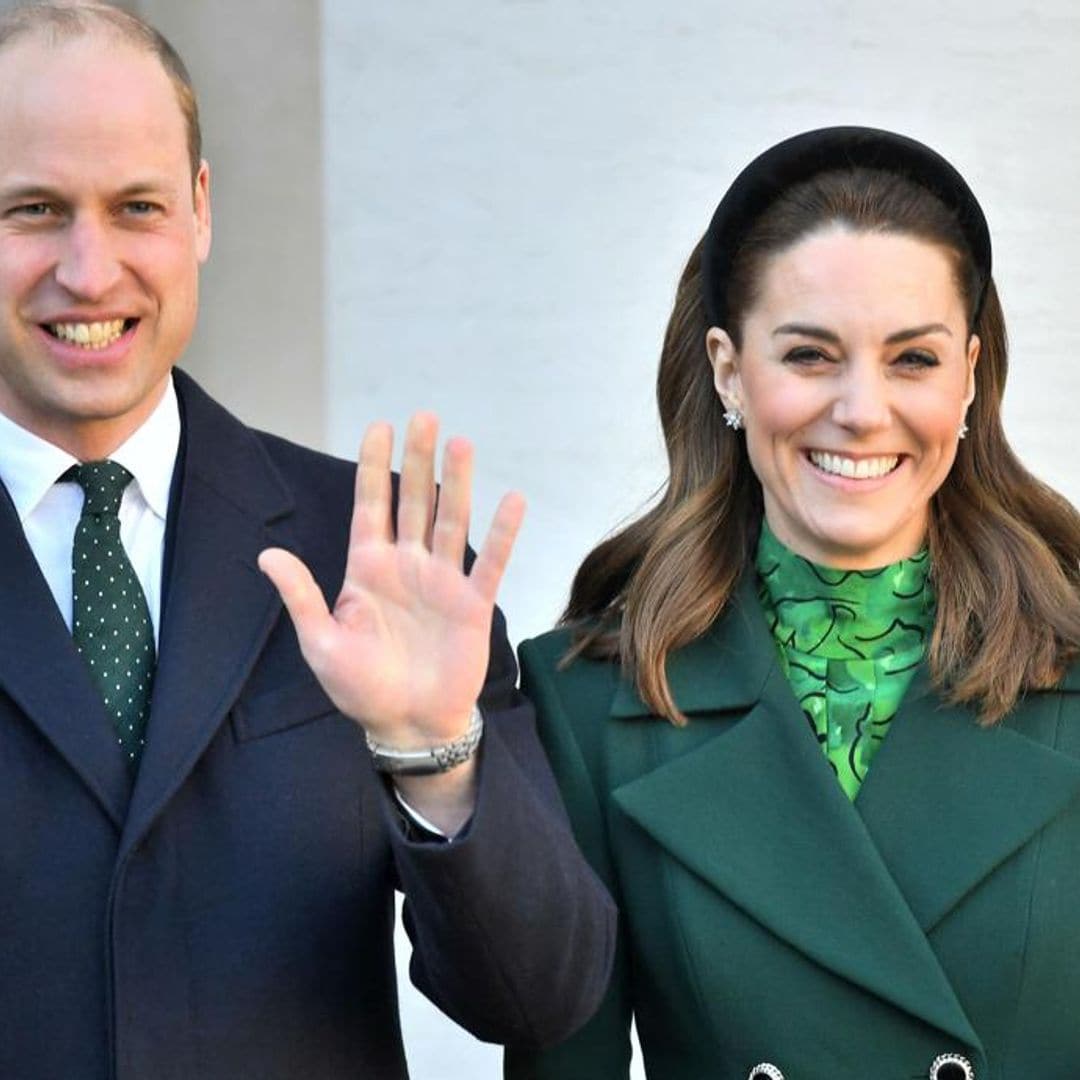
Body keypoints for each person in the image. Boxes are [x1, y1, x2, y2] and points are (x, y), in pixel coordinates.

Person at [0, 4, 615, 1078]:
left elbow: (540, 995)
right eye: (35, 210)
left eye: (135, 206)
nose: (89, 271)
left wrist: (434, 751)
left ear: (199, 210)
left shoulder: (377, 557)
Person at [506, 127, 1080, 1080]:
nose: (861, 409)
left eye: (912, 360)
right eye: (811, 355)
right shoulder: (589, 707)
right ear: (730, 371)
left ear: (971, 375)